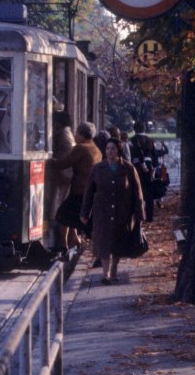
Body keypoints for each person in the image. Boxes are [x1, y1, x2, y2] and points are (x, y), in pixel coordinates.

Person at [80, 137, 145, 285]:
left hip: (122, 212)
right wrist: (85, 212)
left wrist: (139, 214)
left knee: (117, 243)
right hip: (102, 212)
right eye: (108, 149)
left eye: (113, 149)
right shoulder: (98, 168)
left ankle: (114, 270)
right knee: (103, 243)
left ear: (119, 151)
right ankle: (105, 274)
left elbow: (137, 192)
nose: (110, 151)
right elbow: (89, 192)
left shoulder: (128, 168)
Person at [53, 122, 102, 253]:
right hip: (91, 190)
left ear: (81, 134)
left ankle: (63, 245)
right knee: (75, 216)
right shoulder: (95, 148)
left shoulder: (81, 148)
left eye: (76, 133)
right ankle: (75, 239)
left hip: (80, 190)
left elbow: (65, 163)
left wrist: (49, 162)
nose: (74, 135)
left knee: (62, 215)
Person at [47, 110, 76, 252]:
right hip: (65, 175)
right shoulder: (67, 133)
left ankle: (62, 241)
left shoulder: (62, 135)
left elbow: (62, 158)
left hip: (62, 175)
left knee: (58, 207)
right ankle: (70, 239)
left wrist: (52, 163)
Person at [130, 121, 158, 221]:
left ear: (135, 129)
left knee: (137, 191)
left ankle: (138, 216)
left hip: (136, 167)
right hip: (149, 166)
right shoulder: (150, 140)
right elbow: (155, 155)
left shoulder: (132, 140)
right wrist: (154, 169)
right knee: (149, 192)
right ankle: (150, 216)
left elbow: (131, 156)